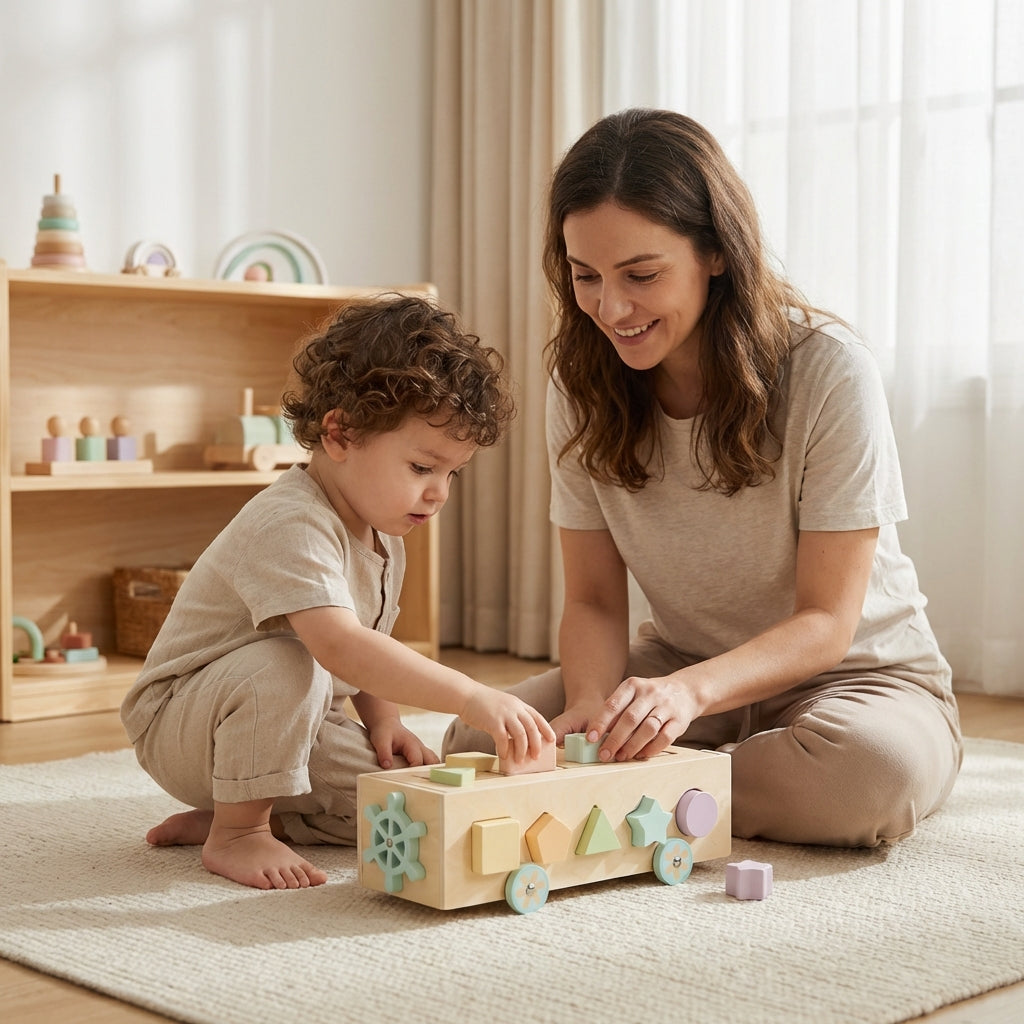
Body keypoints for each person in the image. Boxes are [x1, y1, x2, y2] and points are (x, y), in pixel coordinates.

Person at [443, 108, 962, 848]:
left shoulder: (827, 370)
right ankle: (675, 787)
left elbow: (826, 623)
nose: (611, 309)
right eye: (585, 276)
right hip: (681, 669)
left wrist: (687, 696)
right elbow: (592, 598)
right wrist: (591, 707)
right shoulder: (580, 384)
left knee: (867, 776)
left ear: (715, 251)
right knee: (476, 736)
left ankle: (644, 791)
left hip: (856, 679)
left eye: (641, 275)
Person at [121, 294, 554, 890]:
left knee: (398, 804)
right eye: (422, 468)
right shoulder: (289, 522)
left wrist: (387, 719)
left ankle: (245, 807)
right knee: (284, 661)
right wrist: (471, 697)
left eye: (452, 474)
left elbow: (370, 641)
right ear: (341, 433)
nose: (439, 494)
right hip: (180, 724)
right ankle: (239, 832)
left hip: (280, 723)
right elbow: (341, 646)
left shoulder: (381, 534)